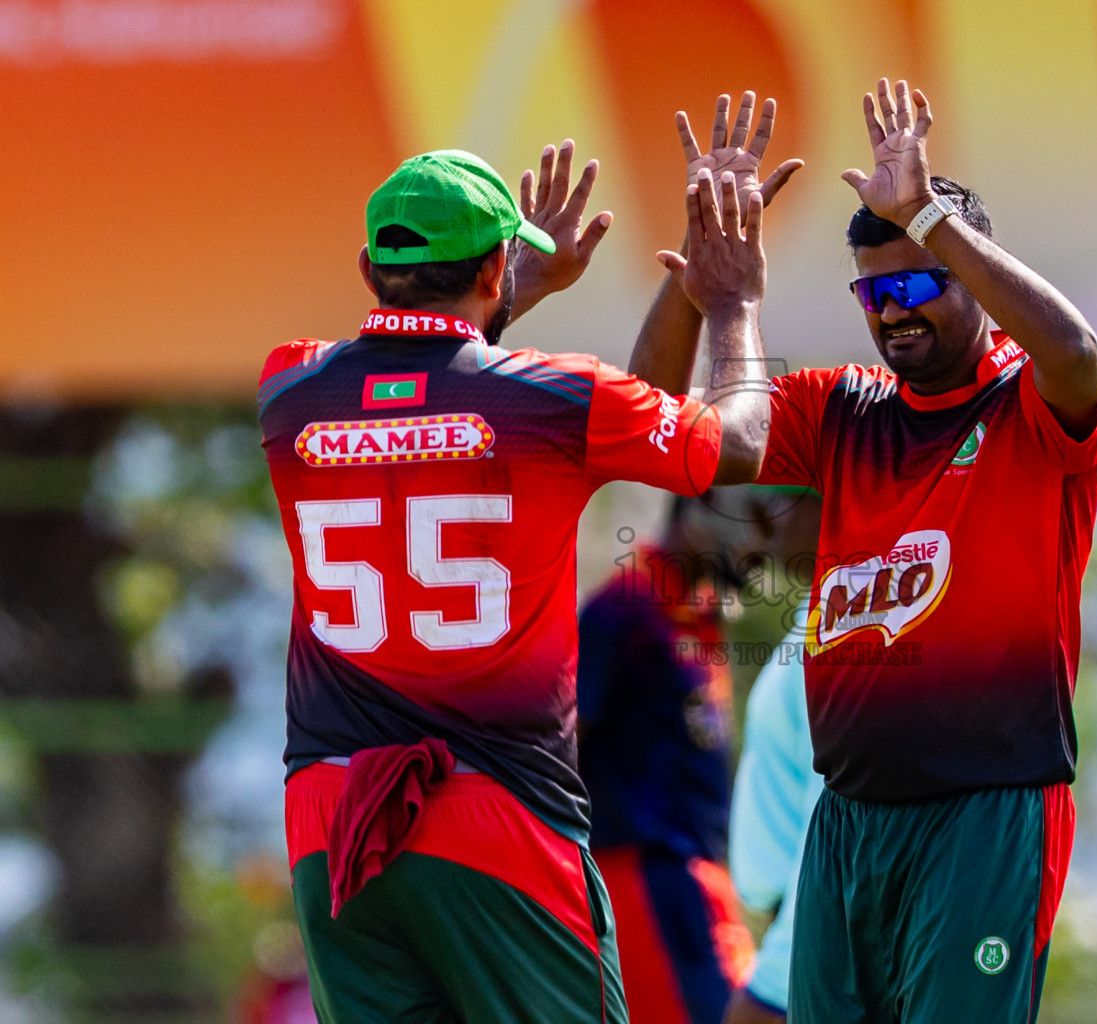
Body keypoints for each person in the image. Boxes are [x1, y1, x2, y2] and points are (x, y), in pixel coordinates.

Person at [258, 134, 772, 1024]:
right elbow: (738, 443)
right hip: (497, 818)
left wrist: (505, 291)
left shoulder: (290, 387)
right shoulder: (550, 402)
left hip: (332, 823)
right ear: (496, 266)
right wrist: (730, 303)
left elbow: (422, 384)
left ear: (367, 267)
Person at [637, 79, 1097, 1023]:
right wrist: (717, 297)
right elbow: (683, 436)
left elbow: (1078, 357)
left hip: (985, 811)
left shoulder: (1025, 401)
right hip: (849, 817)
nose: (894, 311)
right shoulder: (842, 409)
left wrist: (929, 215)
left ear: (966, 274)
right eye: (875, 293)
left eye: (916, 284)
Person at [575, 494, 763, 1024]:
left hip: (699, 876)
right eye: (747, 521)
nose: (758, 544)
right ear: (698, 512)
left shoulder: (701, 610)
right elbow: (566, 741)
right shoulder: (623, 611)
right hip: (642, 876)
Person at [720, 489, 823, 1024]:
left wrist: (776, 980)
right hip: (794, 930)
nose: (762, 526)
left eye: (776, 502)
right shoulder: (814, 613)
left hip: (811, 935)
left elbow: (828, 812)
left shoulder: (839, 630)